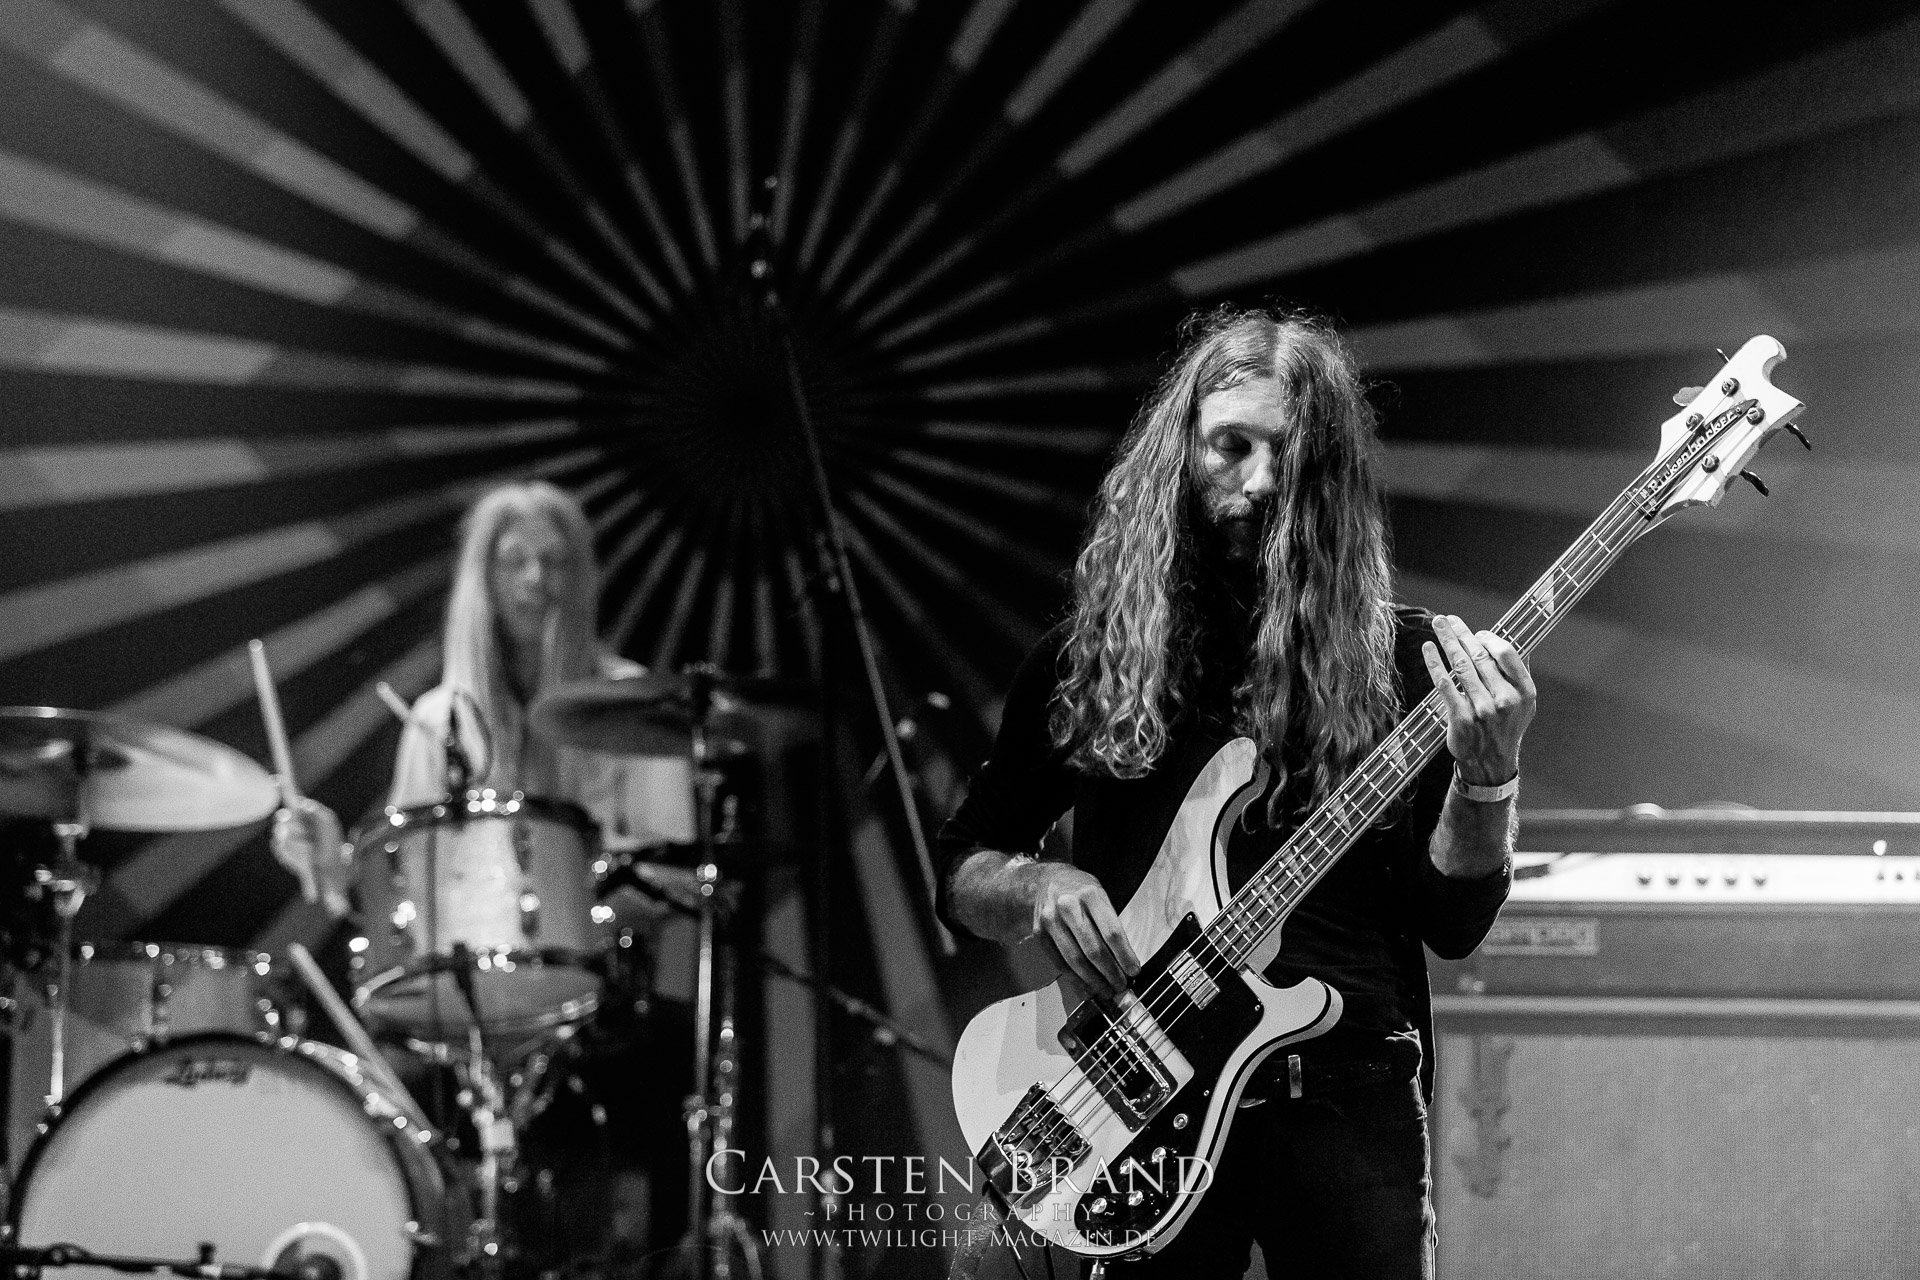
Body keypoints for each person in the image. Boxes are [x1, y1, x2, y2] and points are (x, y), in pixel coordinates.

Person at [935, 308, 1535, 1278]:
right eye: (1231, 446)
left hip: (1349, 1106)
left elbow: (1454, 921)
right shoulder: (1093, 660)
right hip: (1144, 1102)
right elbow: (962, 867)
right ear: (1182, 452)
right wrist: (1037, 885)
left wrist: (1488, 779)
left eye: (1287, 457)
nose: (1258, 483)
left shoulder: (1406, 666)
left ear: (1328, 480)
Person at [272, 479, 694, 1266]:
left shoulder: (636, 708)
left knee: (665, 1067)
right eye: (515, 561)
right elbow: (403, 903)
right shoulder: (438, 721)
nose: (537, 580)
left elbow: (675, 874)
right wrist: (330, 865)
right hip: (461, 1010)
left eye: (555, 562)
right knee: (371, 1088)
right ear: (483, 579)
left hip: (604, 1003)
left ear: (582, 576)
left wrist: (589, 905)